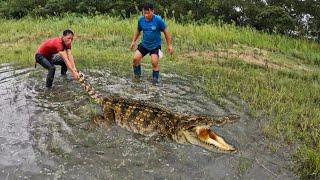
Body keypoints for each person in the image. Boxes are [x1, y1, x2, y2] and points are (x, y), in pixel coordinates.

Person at [129, 2, 173, 84]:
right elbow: (138, 30)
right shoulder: (141, 20)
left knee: (154, 62)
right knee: (135, 59)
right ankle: (137, 78)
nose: (146, 15)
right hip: (144, 44)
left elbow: (166, 32)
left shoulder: (158, 20)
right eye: (144, 13)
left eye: (148, 13)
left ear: (152, 11)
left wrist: (169, 45)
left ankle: (155, 82)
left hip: (155, 46)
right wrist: (133, 41)